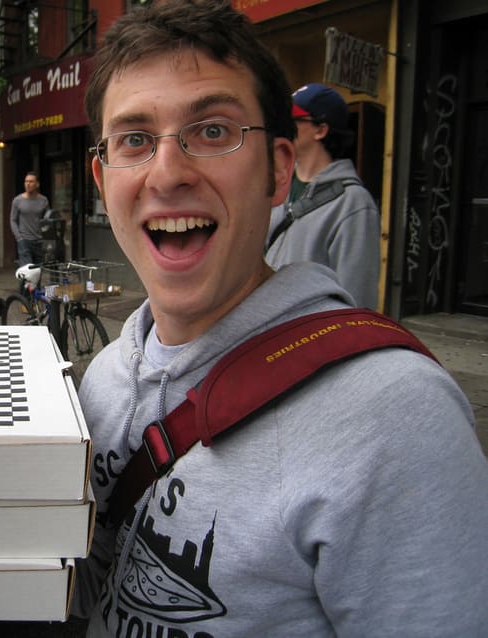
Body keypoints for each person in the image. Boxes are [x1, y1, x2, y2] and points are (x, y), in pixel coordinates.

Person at [72, 2, 488, 637]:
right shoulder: (98, 382)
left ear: (277, 171)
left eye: (212, 131)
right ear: (104, 182)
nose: (168, 173)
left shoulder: (396, 420)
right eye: (134, 139)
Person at [265, 83, 380, 308]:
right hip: (270, 326)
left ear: (321, 130)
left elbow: (356, 295)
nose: (282, 128)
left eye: (294, 121)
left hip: (312, 333)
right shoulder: (279, 186)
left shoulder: (353, 202)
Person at [9, 171, 50, 266]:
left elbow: (47, 220)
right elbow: (13, 220)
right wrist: (19, 238)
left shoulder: (43, 200)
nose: (28, 184)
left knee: (37, 271)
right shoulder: (18, 200)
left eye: (31, 181)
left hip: (39, 241)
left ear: (37, 184)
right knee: (27, 272)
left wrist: (45, 236)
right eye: (26, 181)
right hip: (24, 241)